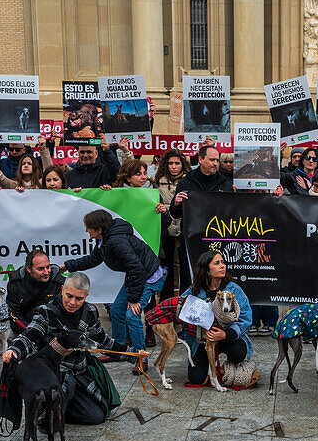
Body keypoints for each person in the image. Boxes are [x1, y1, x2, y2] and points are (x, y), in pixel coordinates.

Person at [3, 272, 127, 424]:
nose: (72, 302)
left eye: (79, 298)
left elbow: (102, 340)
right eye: (69, 296)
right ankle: (49, 412)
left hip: (79, 372)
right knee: (54, 416)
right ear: (62, 289)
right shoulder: (46, 312)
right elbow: (29, 335)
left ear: (86, 296)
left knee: (95, 417)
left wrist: (132, 354)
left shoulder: (90, 312)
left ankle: (61, 408)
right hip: (52, 374)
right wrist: (14, 349)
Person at [63, 209, 163, 359]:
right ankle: (117, 351)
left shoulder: (117, 241)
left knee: (132, 315)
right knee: (116, 311)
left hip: (149, 276)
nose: (86, 230)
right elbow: (93, 259)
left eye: (89, 227)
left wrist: (134, 299)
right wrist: (66, 266)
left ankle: (142, 358)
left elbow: (137, 269)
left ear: (99, 229)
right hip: (136, 276)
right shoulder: (104, 239)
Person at [180, 250, 254, 386]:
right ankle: (210, 362)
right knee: (196, 378)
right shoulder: (194, 290)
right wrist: (198, 331)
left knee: (238, 353)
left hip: (227, 338)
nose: (222, 266)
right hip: (203, 341)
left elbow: (246, 317)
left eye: (223, 262)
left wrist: (226, 334)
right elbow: (180, 308)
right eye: (217, 263)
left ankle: (229, 366)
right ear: (206, 269)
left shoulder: (233, 289)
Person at [153, 149, 190, 294]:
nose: (174, 166)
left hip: (182, 228)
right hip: (166, 229)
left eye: (177, 163)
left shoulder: (190, 180)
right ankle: (167, 297)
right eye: (170, 163)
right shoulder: (157, 180)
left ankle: (181, 295)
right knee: (167, 265)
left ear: (182, 164)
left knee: (182, 265)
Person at [7, 250, 65, 334]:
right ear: (28, 269)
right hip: (26, 328)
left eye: (48, 267)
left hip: (54, 330)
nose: (46, 272)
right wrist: (31, 332)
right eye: (40, 269)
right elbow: (14, 314)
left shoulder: (59, 282)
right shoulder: (16, 284)